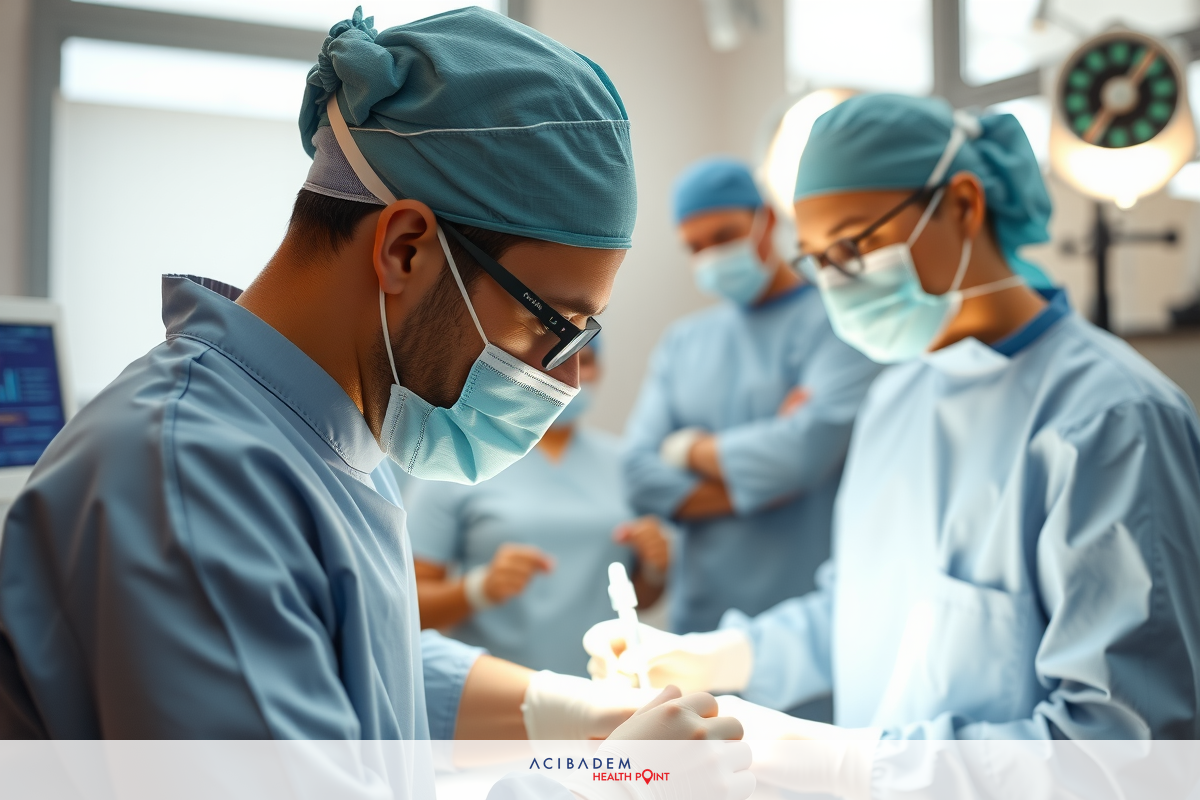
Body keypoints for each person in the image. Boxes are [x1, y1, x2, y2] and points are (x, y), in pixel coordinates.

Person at [0, 8, 755, 799]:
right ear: (406, 248)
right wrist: (606, 781)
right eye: (550, 327)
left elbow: (362, 663)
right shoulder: (186, 476)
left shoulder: (335, 426)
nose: (565, 382)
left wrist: (566, 711)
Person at [588, 93, 1200, 794]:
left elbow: (1127, 751)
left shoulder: (1111, 421)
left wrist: (853, 762)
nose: (837, 282)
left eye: (854, 245)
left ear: (964, 205)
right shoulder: (895, 399)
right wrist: (713, 658)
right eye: (818, 259)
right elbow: (859, 609)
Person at [621, 157, 882, 650]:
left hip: (810, 621)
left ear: (767, 219)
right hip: (702, 618)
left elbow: (803, 451)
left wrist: (686, 451)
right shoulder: (684, 343)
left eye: (724, 236)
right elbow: (636, 474)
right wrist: (773, 480)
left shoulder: (841, 323)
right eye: (695, 247)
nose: (711, 256)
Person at [407, 341, 670, 676]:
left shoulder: (623, 466)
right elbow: (409, 608)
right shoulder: (460, 458)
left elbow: (641, 599)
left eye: (585, 361)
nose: (569, 374)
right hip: (495, 697)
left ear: (600, 370)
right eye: (555, 359)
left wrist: (654, 569)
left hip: (601, 689)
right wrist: (477, 590)